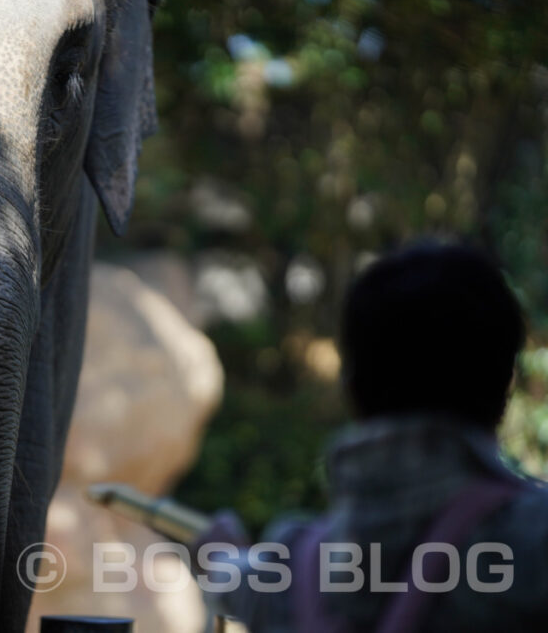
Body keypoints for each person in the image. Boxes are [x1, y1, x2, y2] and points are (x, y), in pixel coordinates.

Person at [190, 242, 548, 632]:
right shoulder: (533, 540)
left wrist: (219, 561)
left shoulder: (291, 572)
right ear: (505, 386)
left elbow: (241, 579)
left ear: (351, 387)